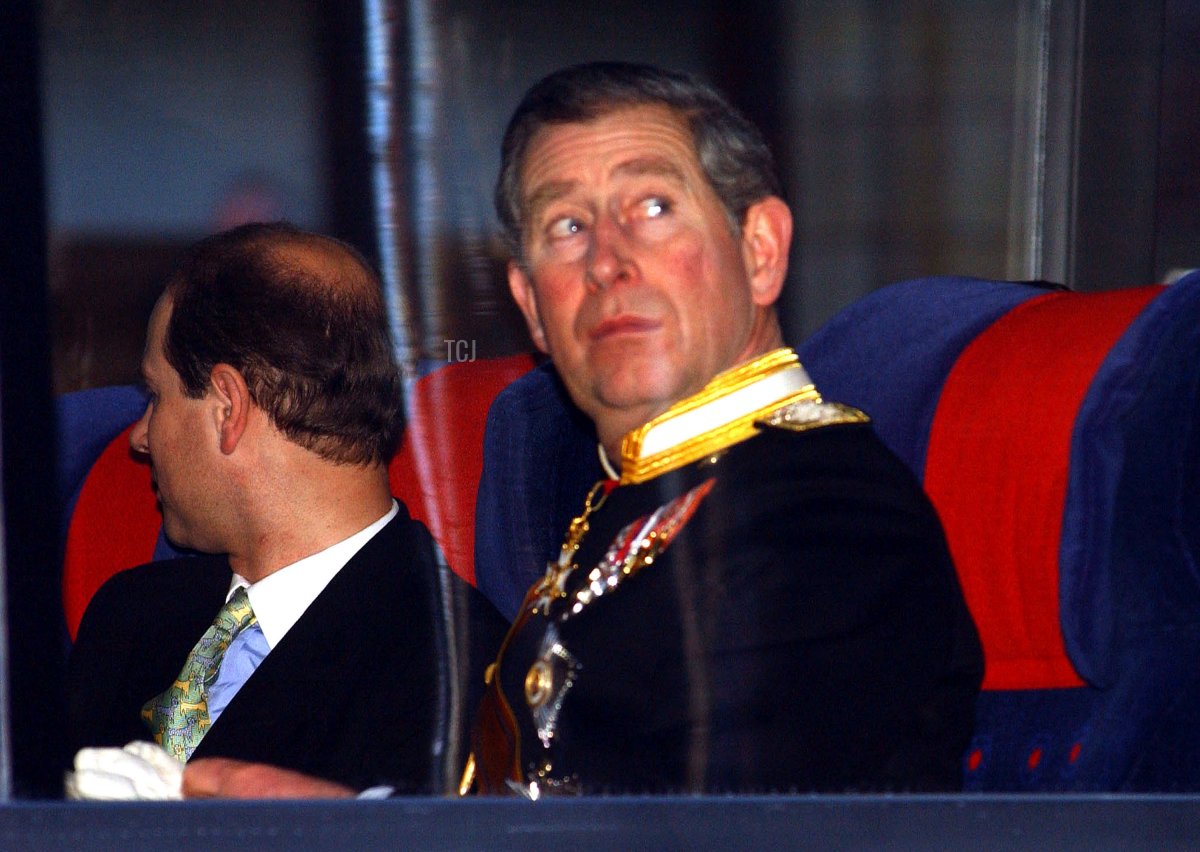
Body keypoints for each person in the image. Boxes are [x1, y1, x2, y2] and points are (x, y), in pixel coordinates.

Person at [179, 61, 983, 799]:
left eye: (653, 207)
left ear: (761, 251)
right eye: (567, 226)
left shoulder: (829, 517)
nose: (606, 261)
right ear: (531, 305)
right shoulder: (629, 498)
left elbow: (720, 832)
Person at [66, 222, 503, 796]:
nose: (139, 437)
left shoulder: (458, 674)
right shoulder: (128, 616)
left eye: (156, 396)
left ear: (228, 407)